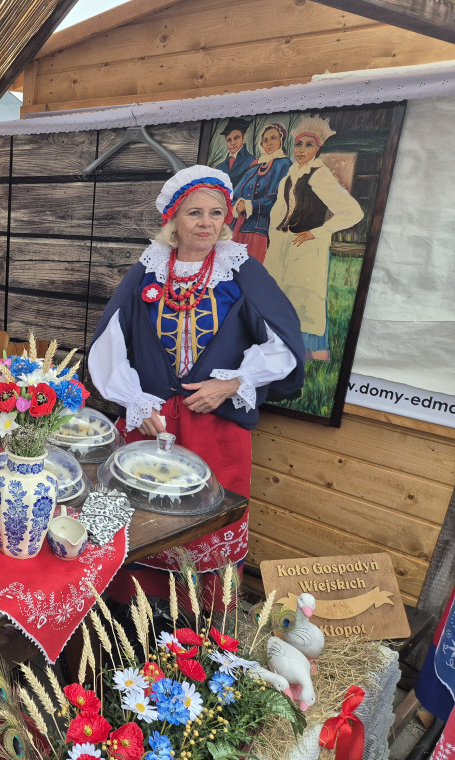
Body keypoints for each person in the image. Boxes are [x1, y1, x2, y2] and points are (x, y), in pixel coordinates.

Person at [88, 165, 303, 605]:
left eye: (216, 213)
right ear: (173, 219)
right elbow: (108, 344)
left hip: (215, 427)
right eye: (194, 213)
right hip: (151, 423)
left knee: (208, 520)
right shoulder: (145, 272)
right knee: (132, 512)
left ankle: (198, 624)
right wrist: (135, 402)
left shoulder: (242, 271)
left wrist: (232, 384)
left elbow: (283, 342)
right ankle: (117, 610)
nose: (207, 223)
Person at [265, 115, 363, 362]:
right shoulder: (289, 175)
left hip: (309, 247)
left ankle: (314, 357)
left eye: (309, 145)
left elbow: (353, 212)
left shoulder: (319, 175)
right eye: (298, 144)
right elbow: (279, 210)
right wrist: (275, 236)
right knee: (281, 296)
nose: (301, 150)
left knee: (307, 300)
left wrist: (317, 232)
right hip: (285, 244)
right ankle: (285, 352)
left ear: (318, 148)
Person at [231, 122, 291, 263]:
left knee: (253, 266)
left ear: (281, 141)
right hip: (240, 226)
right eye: (266, 140)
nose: (269, 143)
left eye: (273, 138)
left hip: (262, 228)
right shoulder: (254, 167)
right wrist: (238, 203)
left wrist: (250, 205)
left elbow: (279, 197)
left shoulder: (284, 165)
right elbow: (235, 194)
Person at [215, 118, 255, 192]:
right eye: (229, 140)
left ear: (244, 136)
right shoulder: (219, 167)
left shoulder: (252, 163)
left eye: (236, 138)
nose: (232, 143)